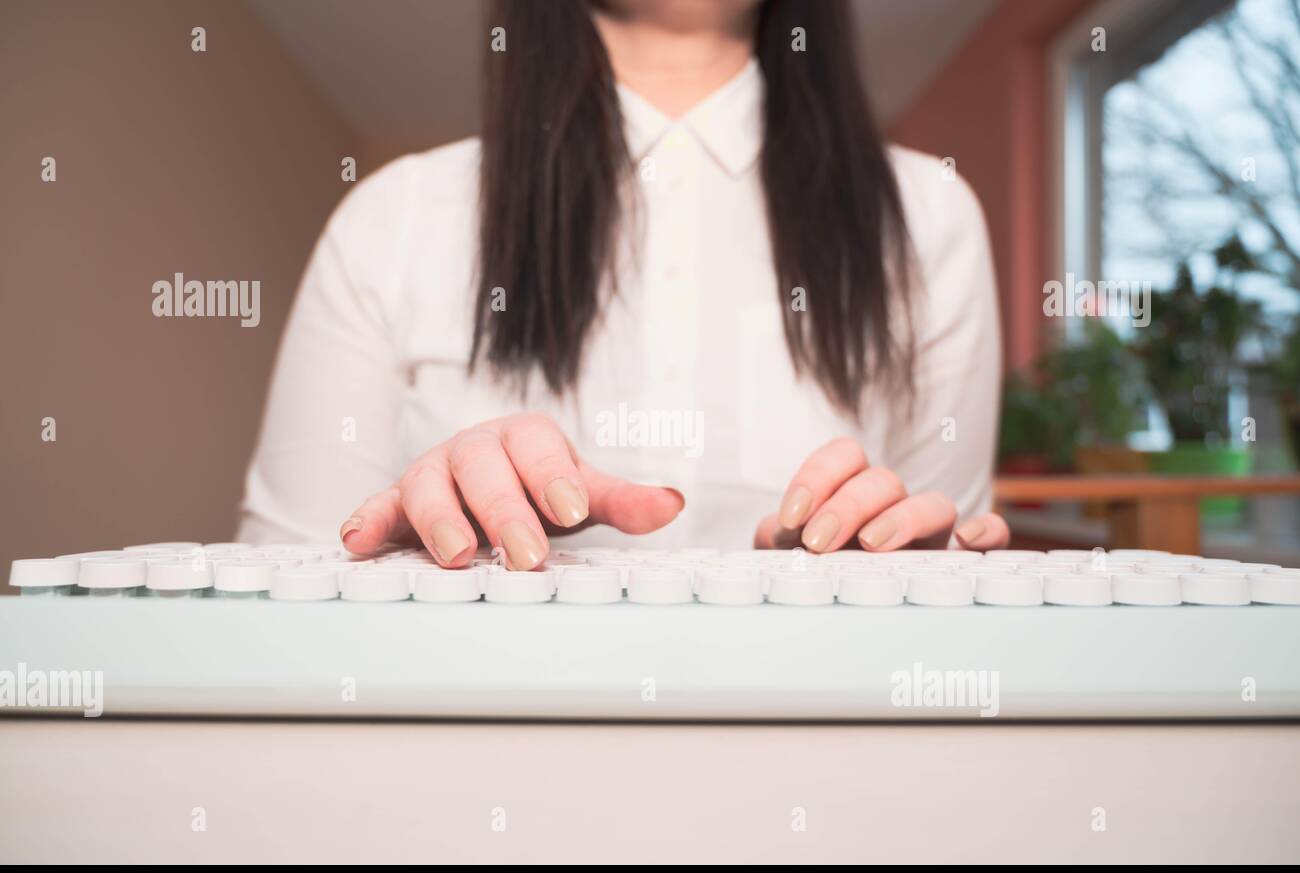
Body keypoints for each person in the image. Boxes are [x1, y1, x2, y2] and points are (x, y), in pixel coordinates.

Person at [237, 0, 1010, 570]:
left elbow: (943, 568)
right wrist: (418, 541)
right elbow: (275, 597)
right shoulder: (394, 215)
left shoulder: (928, 218)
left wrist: (898, 571)